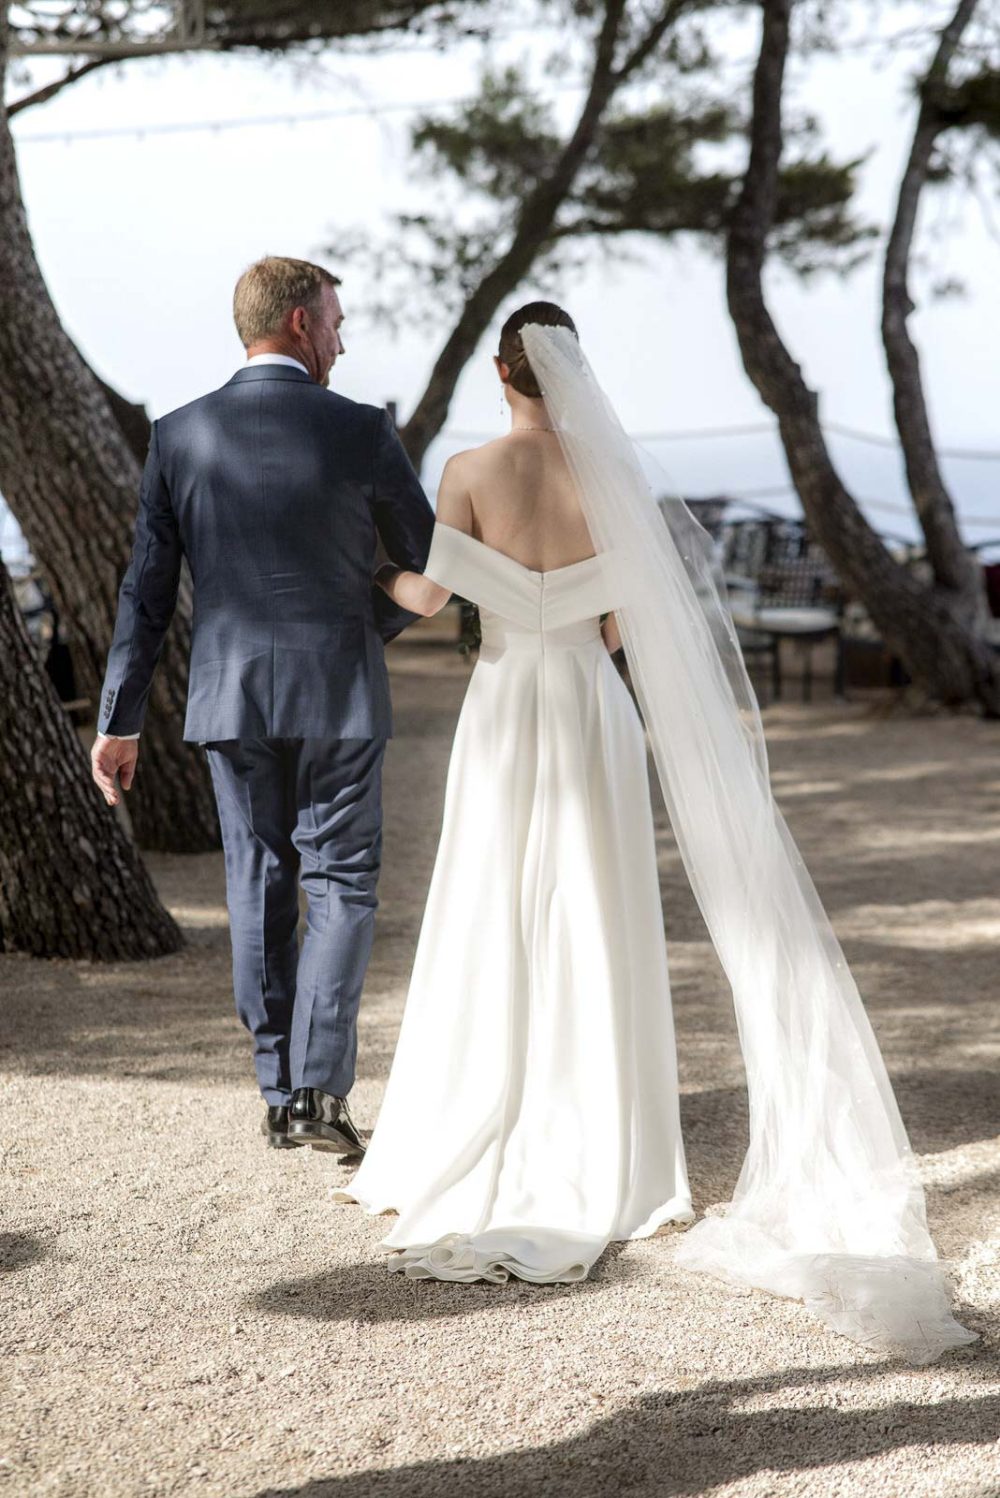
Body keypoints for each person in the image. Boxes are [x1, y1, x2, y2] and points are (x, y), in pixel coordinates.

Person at [335, 302, 977, 1365]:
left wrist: (362, 566)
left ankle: (470, 1112)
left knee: (492, 900)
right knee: (595, 906)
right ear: (572, 373)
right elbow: (628, 629)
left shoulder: (466, 469)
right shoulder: (615, 484)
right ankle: (613, 1142)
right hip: (591, 708)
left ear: (502, 374)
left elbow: (430, 596)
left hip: (504, 706)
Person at [90, 255, 434, 1153]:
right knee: (342, 883)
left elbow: (145, 595)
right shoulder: (362, 429)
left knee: (259, 883)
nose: (342, 339)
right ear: (296, 324)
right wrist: (362, 629)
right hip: (340, 693)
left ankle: (279, 1092)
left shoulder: (179, 435)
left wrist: (117, 720)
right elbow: (427, 562)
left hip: (227, 696)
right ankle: (322, 1090)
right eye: (334, 321)